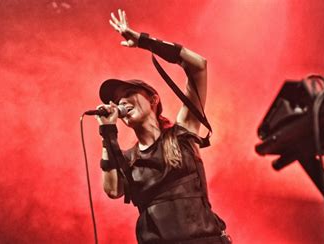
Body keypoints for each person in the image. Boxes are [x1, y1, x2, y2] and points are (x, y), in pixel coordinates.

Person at [95, 9, 231, 244]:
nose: (121, 102)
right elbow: (112, 190)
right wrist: (108, 132)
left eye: (128, 93)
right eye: (117, 101)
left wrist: (144, 41)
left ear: (153, 99)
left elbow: (199, 66)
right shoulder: (128, 159)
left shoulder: (182, 133)